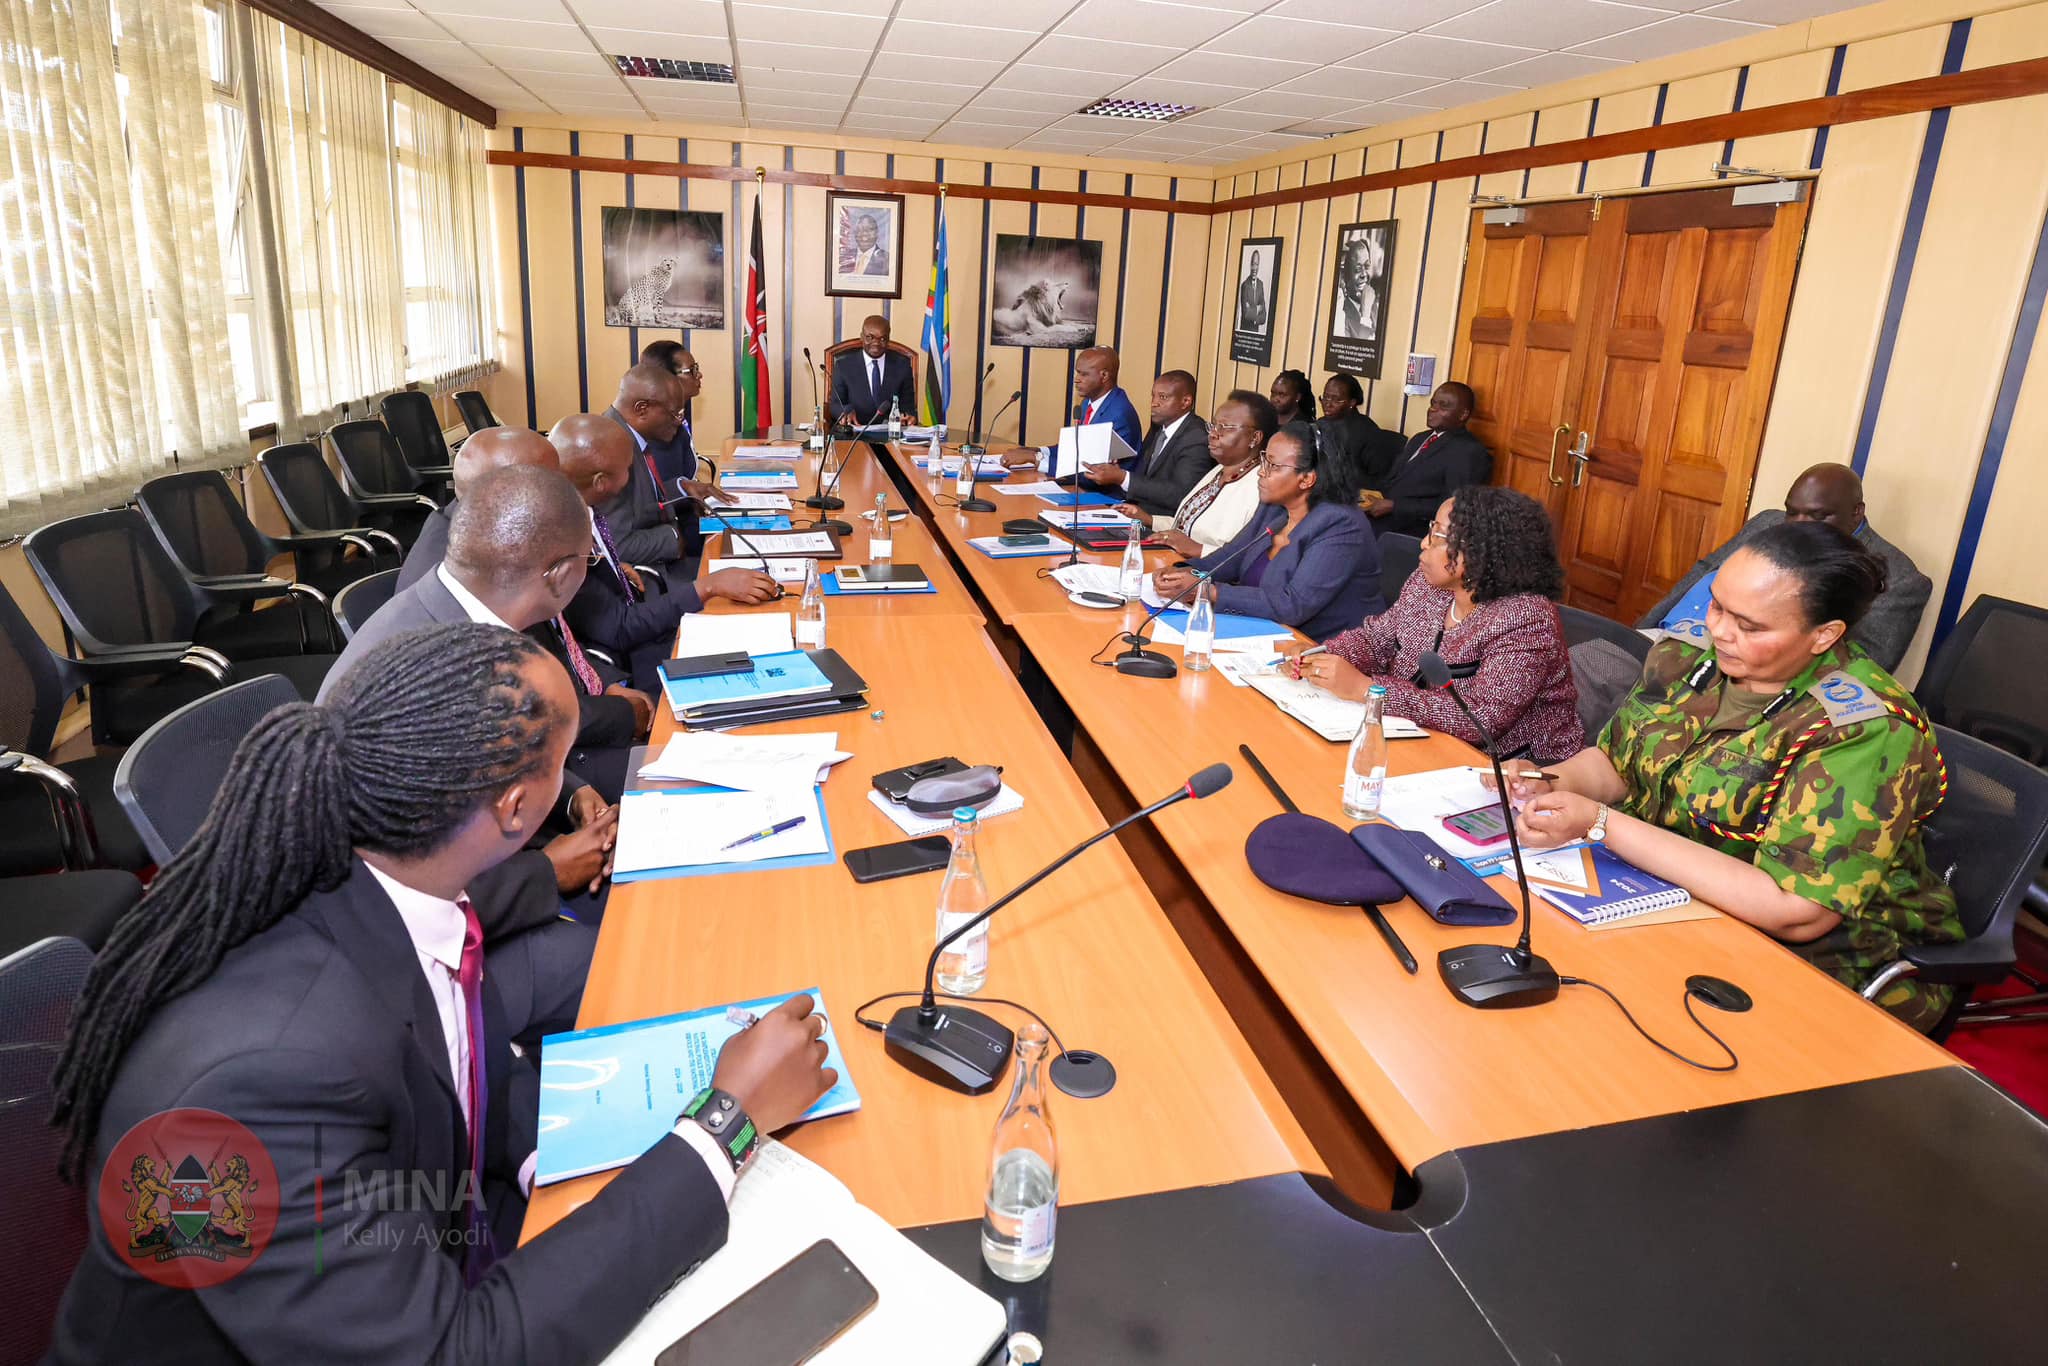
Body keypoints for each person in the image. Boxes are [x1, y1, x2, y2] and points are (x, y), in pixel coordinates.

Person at [46, 623, 837, 1363]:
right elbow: (454, 1352)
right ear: (519, 809)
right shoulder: (265, 1078)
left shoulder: (398, 900)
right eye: (563, 762)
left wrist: (552, 1155)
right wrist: (721, 1128)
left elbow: (455, 1097)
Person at [1510, 521, 1963, 1032]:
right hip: (1667, 900)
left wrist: (1601, 824)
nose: (1719, 631)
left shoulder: (1864, 730)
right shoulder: (1687, 659)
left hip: (1831, 966)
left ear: (1824, 635)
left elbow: (1797, 910)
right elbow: (1619, 764)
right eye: (1717, 605)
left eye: (1750, 626)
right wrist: (1549, 780)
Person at [1573, 462, 1937, 732]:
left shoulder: (1899, 579)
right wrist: (1644, 627)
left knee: (1607, 700)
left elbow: (1861, 664)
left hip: (1732, 675)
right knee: (1574, 669)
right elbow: (1705, 570)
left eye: (1817, 516)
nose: (1796, 525)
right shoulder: (1768, 522)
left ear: (1856, 512)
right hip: (1670, 641)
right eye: (1792, 511)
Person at [1280, 486, 1584, 764]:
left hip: (1511, 772)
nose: (1424, 544)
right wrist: (1319, 654)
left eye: (1439, 537)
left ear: (1483, 551)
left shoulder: (1526, 618)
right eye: (1431, 530)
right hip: (1417, 739)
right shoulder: (1428, 586)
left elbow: (1480, 719)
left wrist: (1368, 690)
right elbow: (1376, 641)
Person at [553, 413, 778, 693]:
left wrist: (612, 566)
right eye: (628, 468)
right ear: (601, 482)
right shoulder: (561, 540)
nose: (632, 473)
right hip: (632, 661)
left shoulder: (583, 512)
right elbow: (620, 628)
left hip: (640, 617)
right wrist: (709, 586)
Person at [1153, 421, 1382, 640]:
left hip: (1319, 649)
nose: (1261, 472)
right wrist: (1179, 572)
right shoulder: (1274, 507)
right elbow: (1230, 557)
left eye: (1273, 465)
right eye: (1264, 460)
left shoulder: (1341, 525)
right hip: (1262, 633)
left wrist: (1209, 592)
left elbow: (1294, 604)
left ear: (1307, 479)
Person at [398, 425, 561, 591]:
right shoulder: (460, 573)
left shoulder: (475, 525)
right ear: (506, 493)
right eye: (553, 483)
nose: (564, 493)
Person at [1120, 389, 1273, 556]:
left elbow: (1244, 556)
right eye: (1213, 425)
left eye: (1225, 427)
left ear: (1254, 438)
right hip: (1172, 560)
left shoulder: (1260, 485)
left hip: (1205, 574)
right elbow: (1187, 528)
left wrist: (1198, 550)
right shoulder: (1218, 471)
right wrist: (1149, 519)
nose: (1213, 434)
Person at [599, 362, 705, 572]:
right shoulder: (609, 449)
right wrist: (674, 539)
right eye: (674, 413)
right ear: (642, 409)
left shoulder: (628, 434)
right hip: (648, 579)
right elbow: (615, 546)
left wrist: (682, 487)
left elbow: (639, 503)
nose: (678, 422)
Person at [1367, 381, 1491, 538]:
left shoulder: (1468, 450)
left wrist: (1395, 506)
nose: (1433, 409)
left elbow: (1454, 505)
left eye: (1443, 406)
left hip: (1415, 528)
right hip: (1384, 515)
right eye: (1433, 403)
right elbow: (1393, 479)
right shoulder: (1421, 438)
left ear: (1463, 415)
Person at [1081, 370, 1208, 517]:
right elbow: (1144, 474)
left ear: (1186, 401)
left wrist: (1123, 477)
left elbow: (1181, 495)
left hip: (1162, 524)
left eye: (1163, 397)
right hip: (1133, 510)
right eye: (1153, 396)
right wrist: (1116, 472)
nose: (1154, 403)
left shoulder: (1196, 438)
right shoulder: (1160, 425)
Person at [1002, 346, 1143, 470]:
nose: (1076, 379)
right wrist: (1039, 450)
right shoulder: (1088, 402)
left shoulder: (1119, 415)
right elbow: (1077, 450)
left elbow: (1090, 470)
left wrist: (1036, 458)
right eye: (1077, 372)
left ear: (1104, 375)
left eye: (1084, 374)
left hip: (1106, 496)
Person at [828, 314, 917, 426]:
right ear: (861, 336)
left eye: (882, 338)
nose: (876, 343)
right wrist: (845, 411)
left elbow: (908, 405)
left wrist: (908, 416)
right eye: (870, 337)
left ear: (888, 339)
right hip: (855, 434)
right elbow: (835, 404)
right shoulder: (844, 366)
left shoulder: (902, 365)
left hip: (891, 435)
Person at [1316, 372, 1401, 485]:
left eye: (1336, 400)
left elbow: (1378, 478)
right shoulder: (1320, 424)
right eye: (1325, 397)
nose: (1328, 404)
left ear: (1352, 402)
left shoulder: (1367, 433)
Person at [1333, 229, 1382, 340]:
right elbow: (1361, 351)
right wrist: (1365, 315)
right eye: (1357, 269)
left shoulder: (1375, 307)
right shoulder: (1340, 314)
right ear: (1345, 276)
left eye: (1367, 266)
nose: (1364, 274)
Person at [840, 211, 889, 277]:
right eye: (860, 229)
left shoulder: (887, 260)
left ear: (877, 233)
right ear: (855, 233)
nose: (864, 234)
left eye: (870, 229)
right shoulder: (844, 257)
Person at [1239, 250, 1267, 331]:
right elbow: (1246, 314)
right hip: (1245, 331)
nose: (1254, 268)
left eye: (1257, 264)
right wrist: (1258, 309)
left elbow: (1264, 317)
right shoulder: (1245, 285)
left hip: (1255, 332)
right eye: (1253, 264)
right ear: (1250, 265)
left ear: (1259, 266)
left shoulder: (1260, 284)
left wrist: (1255, 318)